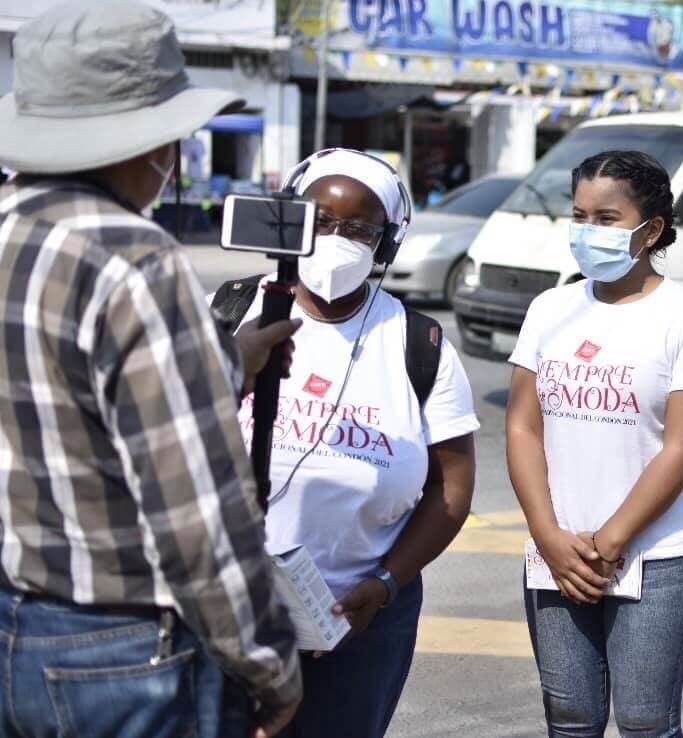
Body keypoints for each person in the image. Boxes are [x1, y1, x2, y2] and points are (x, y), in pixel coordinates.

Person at [0, 1, 303, 736]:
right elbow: (198, 514)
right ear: (150, 145)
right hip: (124, 651)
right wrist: (268, 663)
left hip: (14, 618)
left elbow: (67, 395)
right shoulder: (139, 262)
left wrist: (235, 359)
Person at [218, 148, 479, 738]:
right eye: (321, 221)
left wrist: (385, 585)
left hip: (360, 619)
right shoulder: (231, 313)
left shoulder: (420, 343)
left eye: (359, 229)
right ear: (290, 223)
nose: (337, 239)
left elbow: (451, 486)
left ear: (385, 244)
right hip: (228, 608)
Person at [507, 150, 683, 736]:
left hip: (655, 558)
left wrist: (609, 544)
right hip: (555, 554)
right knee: (570, 719)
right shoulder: (549, 308)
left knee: (643, 723)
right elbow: (522, 427)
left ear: (650, 229)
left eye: (606, 219)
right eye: (579, 216)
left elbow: (682, 449)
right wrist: (549, 537)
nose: (587, 232)